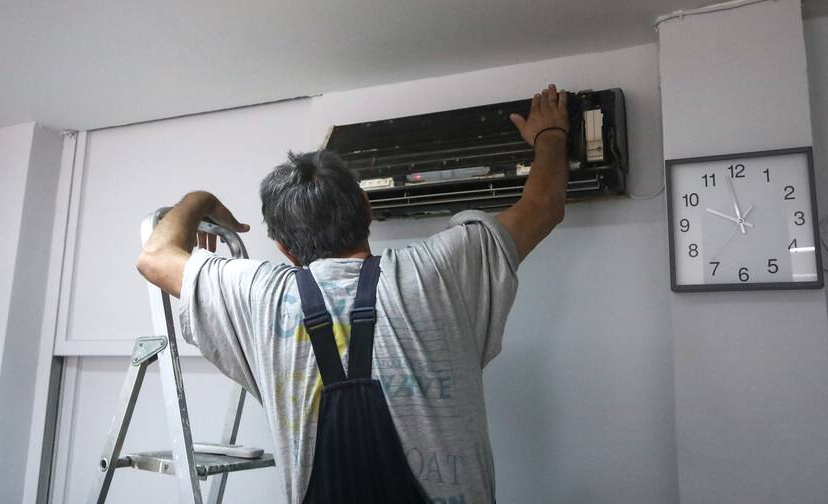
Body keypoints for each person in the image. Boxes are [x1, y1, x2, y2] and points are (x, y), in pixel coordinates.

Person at [137, 84, 568, 504]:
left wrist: (201, 199)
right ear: (366, 207)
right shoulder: (445, 266)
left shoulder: (259, 295)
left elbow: (154, 257)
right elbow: (543, 205)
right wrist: (550, 135)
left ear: (285, 249)